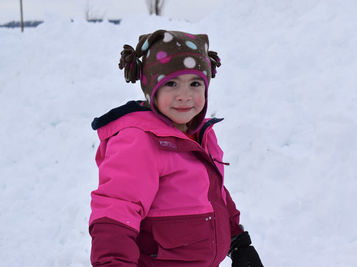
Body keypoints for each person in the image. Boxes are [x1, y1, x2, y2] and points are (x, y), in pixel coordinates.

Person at [89, 29, 263, 267]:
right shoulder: (139, 141)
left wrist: (238, 241)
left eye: (194, 84)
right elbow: (117, 210)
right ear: (152, 90)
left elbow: (213, 194)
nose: (184, 95)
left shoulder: (199, 134)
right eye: (171, 83)